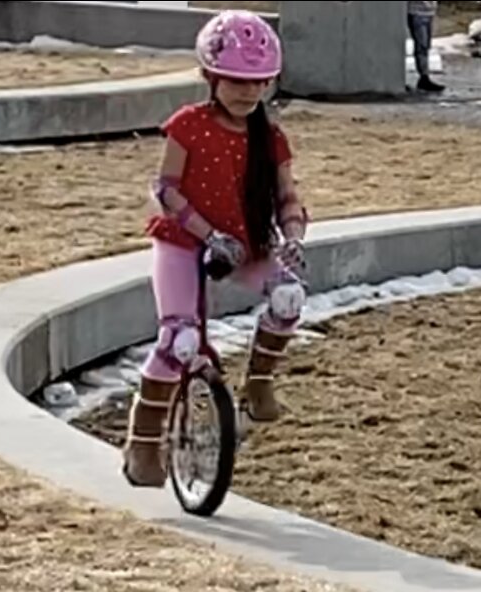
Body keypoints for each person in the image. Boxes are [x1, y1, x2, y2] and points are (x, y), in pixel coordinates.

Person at [122, 10, 309, 488]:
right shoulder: (188, 125)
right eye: (235, 82)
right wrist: (207, 234)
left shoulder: (270, 138)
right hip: (184, 239)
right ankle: (145, 443)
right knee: (178, 340)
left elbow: (288, 197)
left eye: (258, 84)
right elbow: (165, 189)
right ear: (211, 77)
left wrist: (292, 238)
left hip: (247, 240)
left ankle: (259, 383)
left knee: (289, 298)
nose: (248, 93)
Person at [408, 0, 445, 92]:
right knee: (422, 46)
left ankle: (424, 76)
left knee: (425, 46)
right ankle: (424, 77)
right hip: (417, 12)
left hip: (428, 11)